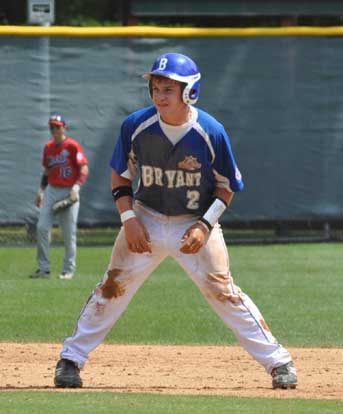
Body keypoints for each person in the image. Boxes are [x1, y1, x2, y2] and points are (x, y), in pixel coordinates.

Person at [54, 53, 297, 389]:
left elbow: (227, 188)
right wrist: (128, 219)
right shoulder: (136, 126)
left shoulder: (210, 131)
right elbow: (120, 177)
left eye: (169, 88)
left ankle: (279, 362)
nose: (160, 95)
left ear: (190, 92)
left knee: (223, 291)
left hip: (194, 223)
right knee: (112, 287)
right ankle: (70, 360)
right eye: (156, 87)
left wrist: (205, 225)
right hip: (146, 218)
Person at [31, 113, 89, 280]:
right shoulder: (48, 147)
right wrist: (41, 191)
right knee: (42, 227)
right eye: (52, 127)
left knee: (68, 233)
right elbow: (47, 171)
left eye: (57, 126)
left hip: (69, 191)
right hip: (52, 190)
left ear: (64, 127)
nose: (54, 129)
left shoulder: (72, 146)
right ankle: (44, 269)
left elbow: (84, 168)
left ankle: (68, 269)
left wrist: (76, 188)